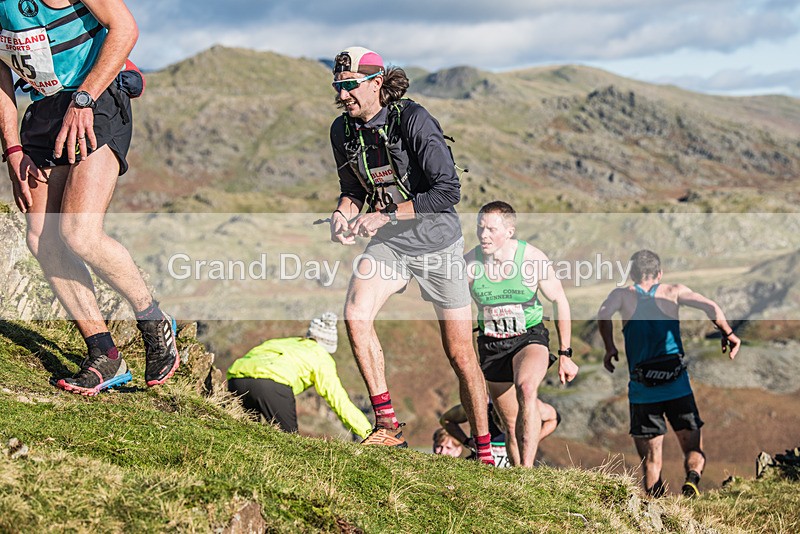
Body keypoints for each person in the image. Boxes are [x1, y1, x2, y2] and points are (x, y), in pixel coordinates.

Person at [0, 0, 179, 395]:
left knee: (79, 232)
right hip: (44, 110)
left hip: (95, 97)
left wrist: (84, 99)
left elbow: (125, 28)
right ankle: (104, 354)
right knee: (42, 238)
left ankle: (153, 319)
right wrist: (12, 149)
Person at [328, 46, 493, 462]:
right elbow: (352, 191)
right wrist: (342, 214)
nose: (342, 95)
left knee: (460, 354)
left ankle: (485, 452)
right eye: (337, 86)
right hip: (391, 244)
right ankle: (387, 426)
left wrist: (384, 215)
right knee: (355, 314)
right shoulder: (341, 130)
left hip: (438, 241)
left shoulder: (413, 119)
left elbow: (447, 191)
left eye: (350, 85)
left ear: (377, 83)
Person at [597, 249, 741, 498]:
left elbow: (603, 313)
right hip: (677, 387)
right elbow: (711, 306)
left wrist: (610, 347)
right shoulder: (674, 291)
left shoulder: (622, 295)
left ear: (632, 274)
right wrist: (728, 333)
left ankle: (659, 512)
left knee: (652, 463)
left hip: (643, 392)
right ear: (660, 273)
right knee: (693, 449)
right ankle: (692, 478)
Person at [465, 201, 579, 467]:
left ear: (509, 231)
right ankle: (519, 477)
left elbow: (559, 300)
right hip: (491, 344)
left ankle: (527, 470)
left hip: (528, 337)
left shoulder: (532, 259)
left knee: (526, 389)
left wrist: (565, 353)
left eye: (491, 229)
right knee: (509, 422)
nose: (483, 235)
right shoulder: (470, 263)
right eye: (480, 228)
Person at [227, 312, 372, 439]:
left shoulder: (285, 342)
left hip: (237, 380)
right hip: (272, 385)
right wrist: (367, 432)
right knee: (289, 442)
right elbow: (339, 401)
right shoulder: (321, 356)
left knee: (245, 435)